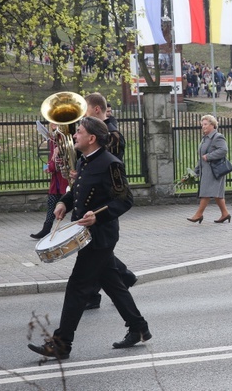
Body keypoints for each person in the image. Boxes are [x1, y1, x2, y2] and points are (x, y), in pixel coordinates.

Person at [27, 117, 151, 360]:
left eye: (79, 132)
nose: (74, 135)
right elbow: (78, 189)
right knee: (112, 282)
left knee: (77, 286)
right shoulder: (84, 160)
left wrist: (98, 216)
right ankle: (138, 328)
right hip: (86, 235)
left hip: (100, 235)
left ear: (92, 138)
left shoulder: (111, 164)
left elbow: (125, 200)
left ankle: (61, 344)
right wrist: (64, 202)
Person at [83, 93, 135, 310]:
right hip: (92, 196)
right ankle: (118, 282)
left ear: (96, 110)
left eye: (85, 108)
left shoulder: (111, 134)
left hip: (104, 198)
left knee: (98, 248)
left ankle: (98, 292)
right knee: (95, 248)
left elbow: (105, 164)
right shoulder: (98, 132)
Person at [188, 115, 231, 223]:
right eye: (202, 124)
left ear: (212, 125)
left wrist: (209, 156)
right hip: (206, 170)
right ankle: (225, 213)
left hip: (214, 170)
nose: (203, 126)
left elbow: (223, 150)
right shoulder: (205, 138)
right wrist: (195, 171)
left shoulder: (218, 137)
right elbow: (201, 157)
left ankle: (198, 215)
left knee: (206, 192)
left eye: (205, 124)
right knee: (216, 193)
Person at [30, 123, 70, 239]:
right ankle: (46, 229)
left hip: (64, 177)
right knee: (52, 203)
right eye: (51, 121)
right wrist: (49, 166)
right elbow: (52, 157)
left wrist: (51, 166)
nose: (53, 124)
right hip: (57, 178)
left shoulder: (64, 138)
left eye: (56, 122)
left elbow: (61, 158)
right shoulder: (52, 138)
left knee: (70, 202)